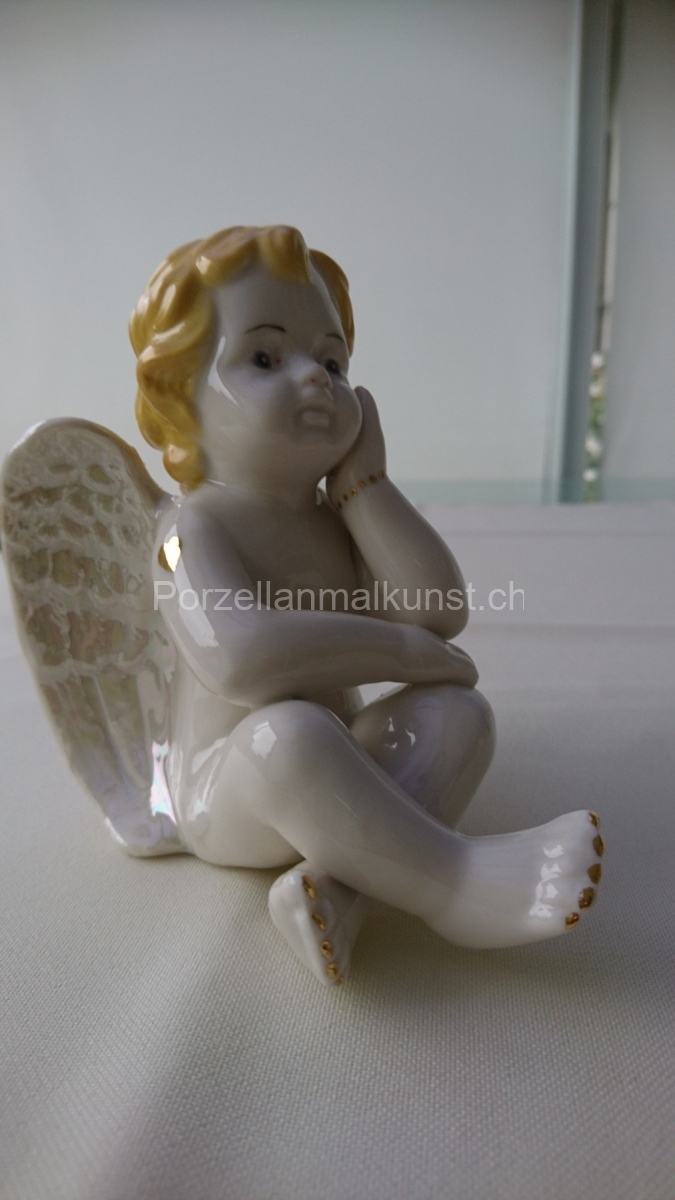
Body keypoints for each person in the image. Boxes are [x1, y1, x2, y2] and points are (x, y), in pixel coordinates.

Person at [130, 225, 602, 986]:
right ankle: (454, 884)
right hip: (234, 791)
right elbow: (243, 658)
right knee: (288, 732)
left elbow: (437, 609)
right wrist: (399, 652)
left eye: (332, 362)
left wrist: (365, 487)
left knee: (456, 713)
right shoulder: (189, 529)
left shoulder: (331, 519)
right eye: (264, 358)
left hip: (334, 765)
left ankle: (344, 896)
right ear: (179, 397)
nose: (315, 379)